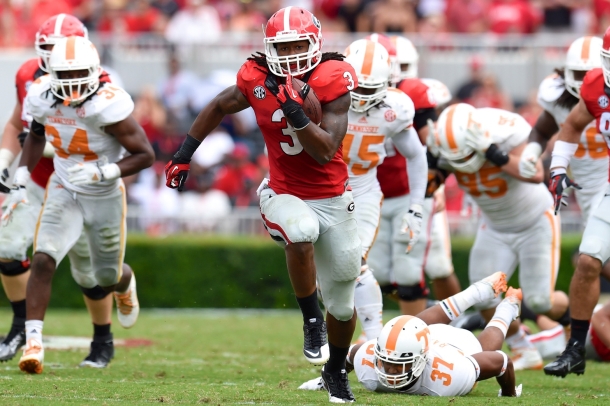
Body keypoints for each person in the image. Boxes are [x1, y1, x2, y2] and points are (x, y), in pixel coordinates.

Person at [165, 7, 360, 403]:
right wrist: (184, 154)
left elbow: (325, 150)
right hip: (283, 192)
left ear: (314, 43)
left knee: (342, 304)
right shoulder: (257, 77)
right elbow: (220, 105)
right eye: (282, 47)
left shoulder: (333, 76)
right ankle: (311, 321)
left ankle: (336, 370)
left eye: (297, 45)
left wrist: (294, 111)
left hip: (334, 198)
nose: (289, 54)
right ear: (269, 48)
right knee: (301, 231)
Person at [0, 14, 134, 369]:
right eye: (49, 47)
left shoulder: (104, 89)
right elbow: (21, 125)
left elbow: (131, 149)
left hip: (92, 184)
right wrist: (9, 166)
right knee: (16, 250)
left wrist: (100, 169)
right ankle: (23, 333)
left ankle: (103, 336)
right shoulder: (32, 81)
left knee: (93, 273)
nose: (57, 55)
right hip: (46, 181)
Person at [430, 103, 570, 370]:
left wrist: (492, 152)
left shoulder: (506, 130)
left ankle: (574, 323)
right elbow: (430, 177)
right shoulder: (438, 142)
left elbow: (536, 173)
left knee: (541, 301)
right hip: (494, 226)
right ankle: (522, 348)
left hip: (535, 220)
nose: (462, 162)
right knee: (483, 295)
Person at [299, 272, 523, 397]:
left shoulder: (448, 378)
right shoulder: (366, 359)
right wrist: (326, 380)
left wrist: (508, 393)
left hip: (457, 349)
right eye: (386, 362)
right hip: (422, 340)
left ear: (420, 361)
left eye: (399, 365)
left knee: (481, 349)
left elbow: (502, 362)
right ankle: (480, 292)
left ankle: (508, 306)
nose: (390, 370)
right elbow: (348, 358)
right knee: (411, 325)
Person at [366, 34, 461, 318]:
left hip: (411, 192)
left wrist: (436, 181)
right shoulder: (342, 97)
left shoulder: (411, 95)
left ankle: (438, 324)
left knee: (423, 269)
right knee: (376, 274)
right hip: (371, 193)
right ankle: (424, 316)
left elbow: (437, 143)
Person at [341, 39, 427, 342]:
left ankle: (374, 338)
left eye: (369, 89)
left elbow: (416, 155)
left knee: (354, 263)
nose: (361, 97)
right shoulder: (322, 95)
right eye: (357, 87)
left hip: (364, 188)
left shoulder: (395, 107)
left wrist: (417, 205)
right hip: (322, 189)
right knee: (326, 276)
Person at [543, 26, 610, 377]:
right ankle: (575, 350)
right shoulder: (597, 85)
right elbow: (571, 125)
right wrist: (558, 168)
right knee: (587, 260)